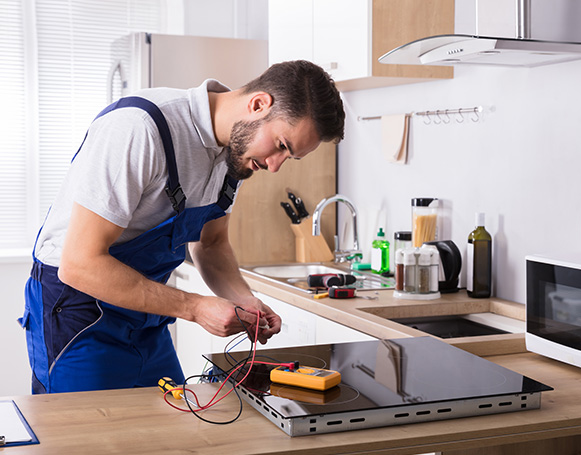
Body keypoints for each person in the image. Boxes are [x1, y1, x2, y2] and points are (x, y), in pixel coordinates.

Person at [20, 60, 345, 394]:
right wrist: (195, 307)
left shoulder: (235, 154)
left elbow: (212, 244)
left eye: (289, 158)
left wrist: (246, 301)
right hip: (78, 314)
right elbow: (80, 264)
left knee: (171, 430)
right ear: (259, 104)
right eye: (281, 146)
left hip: (146, 318)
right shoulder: (139, 128)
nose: (275, 167)